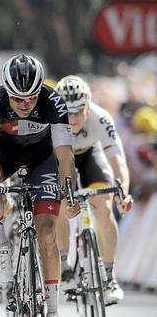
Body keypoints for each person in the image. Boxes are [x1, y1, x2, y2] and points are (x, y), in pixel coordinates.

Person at [0, 54, 79, 317]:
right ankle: (3, 247)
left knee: (47, 234)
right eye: (17, 98)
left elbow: (65, 155)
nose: (24, 104)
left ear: (39, 91)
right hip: (4, 155)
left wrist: (69, 193)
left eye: (31, 98)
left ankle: (52, 309)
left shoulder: (53, 101)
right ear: (6, 91)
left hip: (41, 160)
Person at [54, 75, 133, 304]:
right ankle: (65, 264)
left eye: (79, 110)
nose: (74, 117)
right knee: (57, 204)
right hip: (60, 158)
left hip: (90, 155)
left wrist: (123, 193)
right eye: (68, 112)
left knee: (104, 207)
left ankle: (109, 276)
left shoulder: (101, 118)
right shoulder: (50, 123)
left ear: (89, 105)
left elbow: (118, 163)